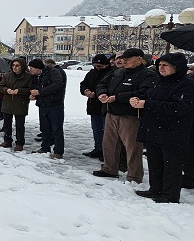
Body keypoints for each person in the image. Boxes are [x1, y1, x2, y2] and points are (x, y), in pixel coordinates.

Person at [130, 53, 194, 203]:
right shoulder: (159, 81)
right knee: (155, 162)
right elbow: (150, 96)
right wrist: (139, 99)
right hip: (154, 129)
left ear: (176, 67)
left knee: (171, 166)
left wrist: (147, 104)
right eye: (160, 65)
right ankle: (155, 189)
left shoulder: (187, 84)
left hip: (173, 131)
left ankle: (170, 195)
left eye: (165, 65)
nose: (161, 68)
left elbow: (179, 107)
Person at [93, 48, 157, 182]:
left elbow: (144, 93)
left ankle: (134, 175)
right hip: (111, 112)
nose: (124, 61)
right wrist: (102, 93)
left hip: (131, 115)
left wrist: (118, 97)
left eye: (127, 59)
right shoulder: (118, 72)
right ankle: (109, 168)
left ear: (138, 60)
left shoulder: (148, 75)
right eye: (123, 59)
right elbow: (102, 84)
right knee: (109, 144)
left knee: (132, 147)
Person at [28, 58, 66, 158]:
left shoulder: (53, 72)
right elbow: (32, 86)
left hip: (55, 104)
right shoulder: (34, 76)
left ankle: (58, 151)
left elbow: (57, 85)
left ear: (38, 68)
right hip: (42, 104)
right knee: (44, 128)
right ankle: (45, 147)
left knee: (56, 129)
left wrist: (40, 92)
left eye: (31, 68)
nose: (30, 70)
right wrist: (32, 94)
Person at [79, 54, 113, 159]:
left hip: (105, 106)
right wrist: (86, 91)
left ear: (105, 64)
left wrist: (100, 94)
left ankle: (107, 152)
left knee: (106, 132)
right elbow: (83, 84)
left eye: (99, 65)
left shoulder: (111, 73)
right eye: (95, 65)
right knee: (96, 129)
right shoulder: (92, 73)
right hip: (93, 105)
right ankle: (98, 149)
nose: (97, 67)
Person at [0, 58, 32, 151]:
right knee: (7, 124)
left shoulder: (28, 77)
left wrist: (19, 91)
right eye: (13, 65)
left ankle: (20, 143)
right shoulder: (7, 75)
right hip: (8, 102)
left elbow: (30, 89)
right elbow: (1, 86)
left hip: (21, 102)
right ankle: (7, 140)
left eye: (17, 66)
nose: (14, 67)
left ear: (22, 66)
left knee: (19, 125)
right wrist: (7, 90)